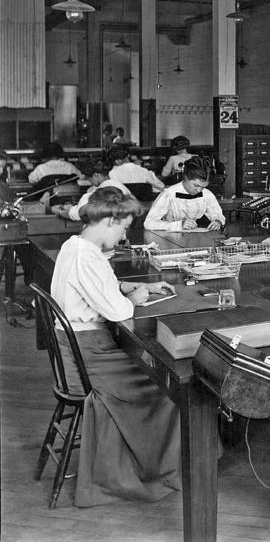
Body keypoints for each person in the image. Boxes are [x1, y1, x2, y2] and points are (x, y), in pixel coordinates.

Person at [50, 187, 180, 507]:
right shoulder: (87, 256)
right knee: (167, 390)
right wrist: (132, 299)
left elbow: (95, 287)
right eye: (123, 228)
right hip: (88, 354)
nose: (123, 235)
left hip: (78, 347)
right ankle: (164, 469)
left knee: (152, 375)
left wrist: (128, 286)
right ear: (109, 219)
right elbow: (120, 312)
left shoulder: (75, 246)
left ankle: (149, 459)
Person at [144, 157, 225, 231]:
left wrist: (218, 221)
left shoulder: (207, 194)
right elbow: (149, 223)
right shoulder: (169, 194)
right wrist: (177, 225)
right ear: (185, 177)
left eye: (203, 187)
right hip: (169, 239)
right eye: (196, 185)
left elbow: (217, 214)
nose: (199, 190)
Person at [51, 159, 130, 221]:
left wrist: (58, 211)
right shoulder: (120, 186)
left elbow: (78, 214)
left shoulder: (99, 192)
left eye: (89, 179)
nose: (89, 182)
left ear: (96, 175)